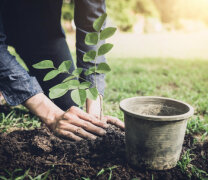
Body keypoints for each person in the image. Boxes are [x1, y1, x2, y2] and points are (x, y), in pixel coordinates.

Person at [0, 0, 124, 141]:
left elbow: (91, 23)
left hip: (40, 29)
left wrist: (94, 112)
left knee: (69, 102)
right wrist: (52, 115)